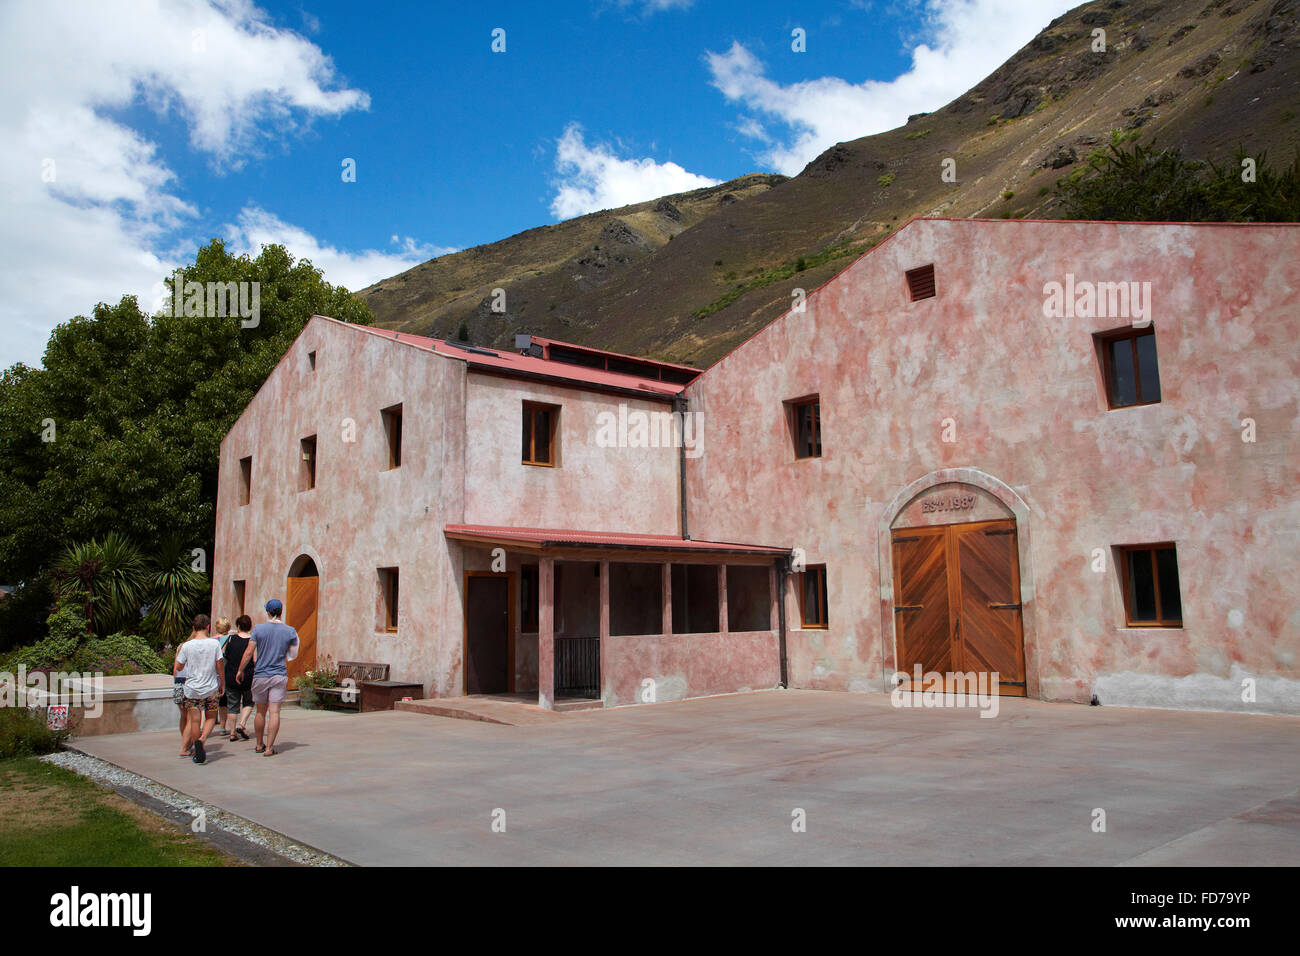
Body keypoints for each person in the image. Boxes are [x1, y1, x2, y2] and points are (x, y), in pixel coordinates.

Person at [237, 599, 299, 757]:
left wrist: (240, 670)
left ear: (268, 612)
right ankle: (269, 748)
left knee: (260, 712)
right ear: (281, 611)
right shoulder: (290, 631)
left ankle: (259, 744)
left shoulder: (258, 629)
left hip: (261, 674)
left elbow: (249, 652)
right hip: (278, 674)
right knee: (275, 712)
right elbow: (293, 655)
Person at [173, 614, 225, 764]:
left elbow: (179, 666)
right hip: (210, 687)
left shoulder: (187, 646)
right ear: (208, 627)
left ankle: (197, 749)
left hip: (192, 688)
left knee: (194, 720)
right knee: (210, 717)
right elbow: (219, 665)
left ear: (194, 627)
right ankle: (201, 740)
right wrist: (222, 682)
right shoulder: (214, 644)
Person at [222, 615, 256, 740]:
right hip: (248, 676)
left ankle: (232, 733)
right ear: (250, 626)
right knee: (249, 702)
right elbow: (254, 659)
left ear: (238, 626)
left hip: (231, 675)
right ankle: (242, 724)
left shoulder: (231, 639)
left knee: (232, 705)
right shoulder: (253, 640)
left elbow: (225, 656)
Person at [211, 618, 233, 736]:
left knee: (209, 700)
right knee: (223, 701)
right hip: (224, 672)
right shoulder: (230, 640)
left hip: (210, 673)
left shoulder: (210, 640)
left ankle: (206, 724)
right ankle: (223, 727)